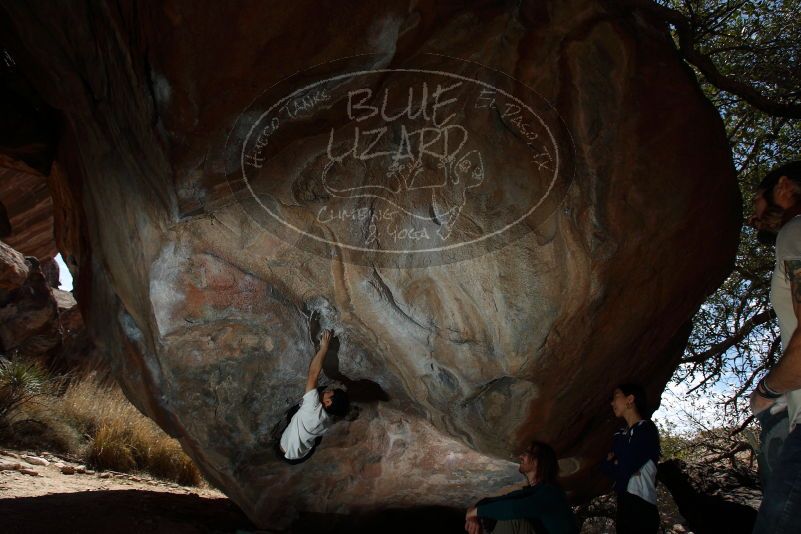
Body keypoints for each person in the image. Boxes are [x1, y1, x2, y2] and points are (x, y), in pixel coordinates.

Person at [747, 160, 801, 533]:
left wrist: (766, 391)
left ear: (783, 187)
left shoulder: (795, 230)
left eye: (756, 203)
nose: (753, 218)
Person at [464, 441, 578, 534]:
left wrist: (476, 512)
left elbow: (513, 509)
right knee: (490, 515)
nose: (520, 456)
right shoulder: (533, 491)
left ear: (538, 461)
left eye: (527, 453)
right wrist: (473, 512)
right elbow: (500, 500)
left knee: (512, 520)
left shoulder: (551, 494)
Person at [278, 329, 349, 462]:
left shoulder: (312, 407)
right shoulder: (329, 420)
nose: (326, 391)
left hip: (286, 451)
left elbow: (313, 374)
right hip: (304, 454)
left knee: (293, 413)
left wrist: (324, 347)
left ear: (328, 403)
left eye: (329, 392)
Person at [601, 383, 660, 534]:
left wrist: (615, 462)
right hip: (624, 502)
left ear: (630, 399)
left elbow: (625, 467)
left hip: (642, 505)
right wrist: (615, 463)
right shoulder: (620, 434)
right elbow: (605, 467)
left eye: (616, 397)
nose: (612, 402)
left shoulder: (645, 429)